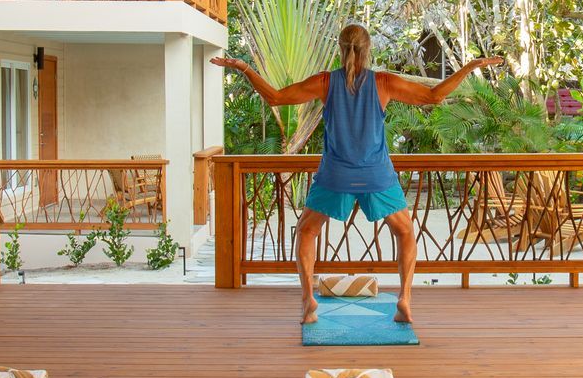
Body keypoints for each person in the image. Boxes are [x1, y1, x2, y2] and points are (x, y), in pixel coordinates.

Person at [214, 25, 502, 325]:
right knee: (404, 232)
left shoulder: (325, 82)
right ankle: (404, 297)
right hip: (376, 175)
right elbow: (433, 96)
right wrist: (470, 66)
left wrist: (244, 67)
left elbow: (274, 97)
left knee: (307, 231)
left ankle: (307, 300)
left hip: (335, 175)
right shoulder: (384, 83)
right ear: (368, 49)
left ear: (341, 49)